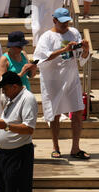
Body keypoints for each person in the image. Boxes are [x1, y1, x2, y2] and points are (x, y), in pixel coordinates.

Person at [33, 8, 91, 159]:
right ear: (54, 20)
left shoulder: (74, 32)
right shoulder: (46, 37)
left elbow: (81, 58)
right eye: (62, 22)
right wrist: (63, 50)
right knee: (55, 114)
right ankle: (56, 147)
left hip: (71, 77)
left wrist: (85, 50)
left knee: (78, 111)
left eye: (67, 21)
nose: (66, 25)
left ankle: (75, 148)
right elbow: (40, 58)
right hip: (53, 80)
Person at [0, 72, 38, 192]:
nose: (3, 92)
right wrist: (2, 122)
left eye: (4, 89)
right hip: (4, 152)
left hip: (19, 153)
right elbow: (10, 122)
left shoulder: (28, 98)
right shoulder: (12, 99)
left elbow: (29, 128)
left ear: (15, 86)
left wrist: (5, 126)